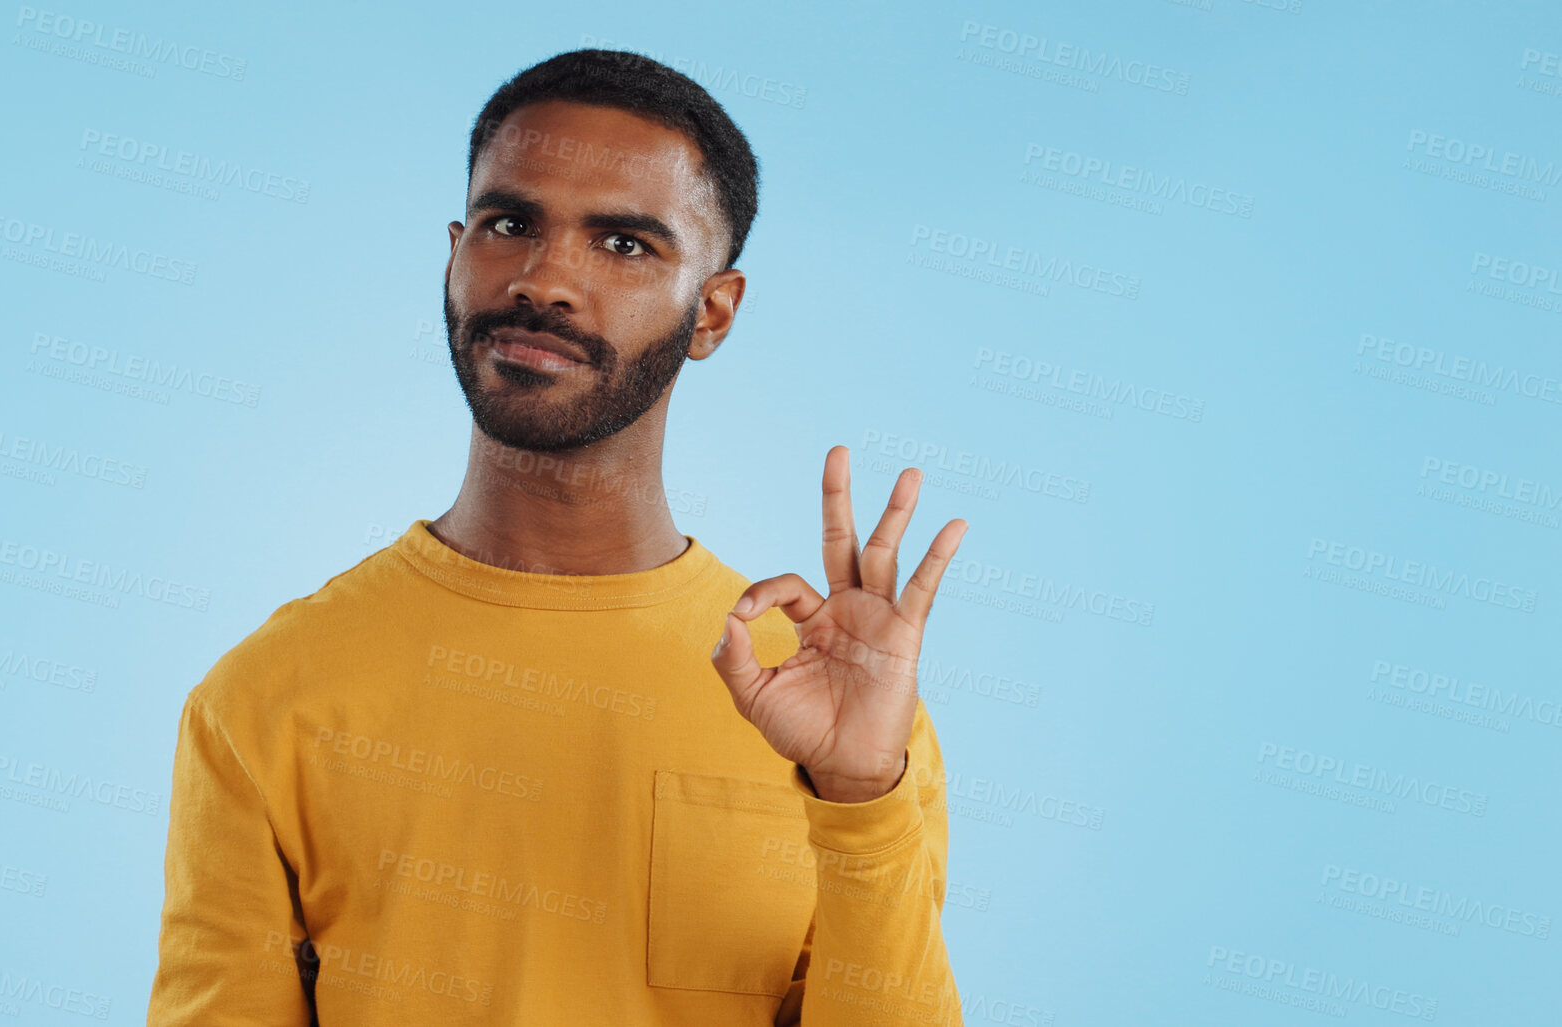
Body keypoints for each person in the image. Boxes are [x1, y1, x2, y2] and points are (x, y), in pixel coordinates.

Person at [147, 48, 969, 1026]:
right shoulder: (266, 697)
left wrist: (861, 801)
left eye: (624, 244)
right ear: (454, 253)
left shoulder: (834, 704)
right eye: (509, 224)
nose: (545, 279)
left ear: (713, 311)